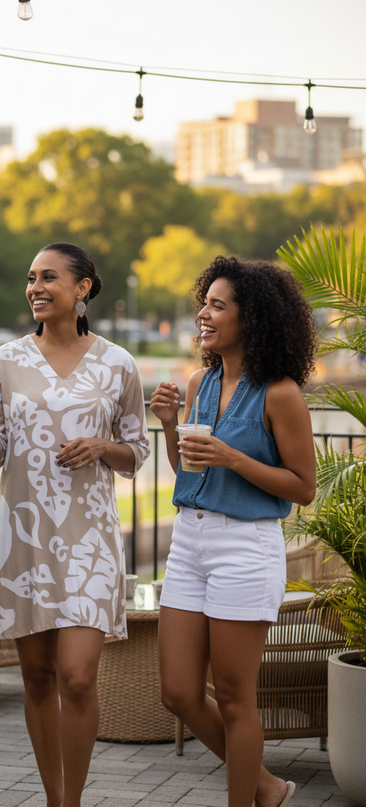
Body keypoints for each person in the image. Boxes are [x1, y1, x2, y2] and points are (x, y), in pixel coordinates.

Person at [0, 242, 150, 807]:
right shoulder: (6, 360)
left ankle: (71, 801)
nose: (35, 287)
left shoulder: (117, 363)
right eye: (30, 278)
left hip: (89, 543)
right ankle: (53, 799)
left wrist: (103, 446)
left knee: (77, 677)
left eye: (48, 277)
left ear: (83, 289)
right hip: (22, 539)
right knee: (38, 679)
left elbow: (136, 454)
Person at [150, 255, 317, 807]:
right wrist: (171, 426)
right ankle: (266, 786)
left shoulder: (281, 393)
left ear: (254, 319)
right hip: (189, 540)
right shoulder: (200, 381)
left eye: (218, 306)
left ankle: (246, 799)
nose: (204, 313)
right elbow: (187, 474)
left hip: (246, 547)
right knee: (177, 690)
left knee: (235, 697)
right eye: (206, 301)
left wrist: (234, 458)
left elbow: (302, 486)